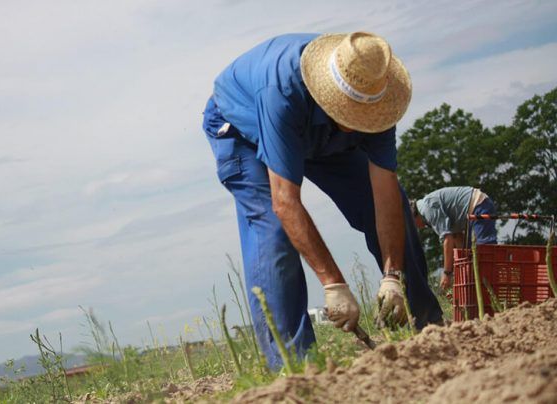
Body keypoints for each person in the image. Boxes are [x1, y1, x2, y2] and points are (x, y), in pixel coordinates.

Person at [201, 32, 443, 370]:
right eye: (350, 112)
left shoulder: (378, 95)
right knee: (272, 233)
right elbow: (285, 202)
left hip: (321, 133)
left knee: (397, 206)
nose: (357, 121)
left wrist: (393, 275)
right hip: (243, 128)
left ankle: (430, 330)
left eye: (363, 115)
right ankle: (295, 368)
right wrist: (334, 283)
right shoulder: (281, 93)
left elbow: (384, 193)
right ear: (329, 94)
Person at [410, 186, 497, 289]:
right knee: (473, 259)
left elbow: (448, 239)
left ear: (413, 216)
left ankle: (494, 289)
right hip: (475, 208)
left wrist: (447, 273)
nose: (417, 228)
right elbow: (457, 237)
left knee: (484, 253)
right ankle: (483, 293)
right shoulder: (427, 209)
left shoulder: (428, 209)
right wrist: (462, 268)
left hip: (479, 206)